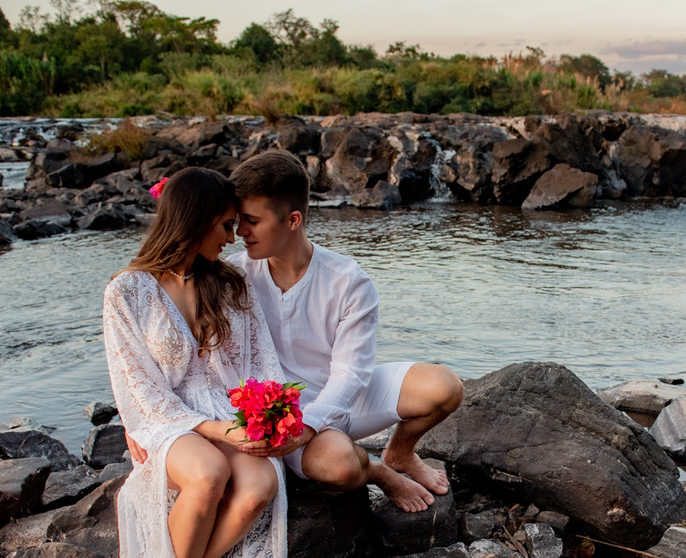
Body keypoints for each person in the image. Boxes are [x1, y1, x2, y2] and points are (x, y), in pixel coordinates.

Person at [126, 151, 464, 512]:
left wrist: (311, 425)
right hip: (276, 418)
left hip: (345, 400)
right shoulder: (231, 277)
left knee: (445, 387)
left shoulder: (347, 280)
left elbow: (352, 372)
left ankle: (399, 452)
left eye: (252, 221)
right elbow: (168, 343)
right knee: (342, 466)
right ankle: (380, 472)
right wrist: (139, 421)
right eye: (237, 221)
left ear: (293, 220)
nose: (240, 232)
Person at [102, 166, 288, 558]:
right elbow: (135, 383)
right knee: (208, 474)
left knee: (260, 482)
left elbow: (261, 362)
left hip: (225, 412)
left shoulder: (226, 283)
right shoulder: (127, 292)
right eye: (227, 225)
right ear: (198, 220)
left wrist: (266, 418)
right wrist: (179, 429)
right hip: (167, 419)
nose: (233, 237)